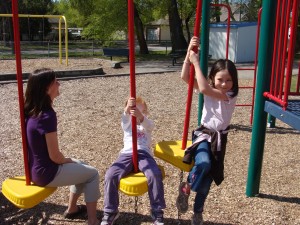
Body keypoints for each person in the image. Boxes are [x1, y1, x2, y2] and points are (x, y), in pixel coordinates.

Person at [24, 68, 100, 225]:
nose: (59, 84)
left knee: (83, 165)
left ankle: (72, 209)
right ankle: (93, 220)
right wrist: (68, 159)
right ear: (47, 88)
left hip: (36, 170)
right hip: (47, 173)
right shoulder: (46, 115)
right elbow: (55, 156)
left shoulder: (31, 111)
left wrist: (73, 161)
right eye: (55, 81)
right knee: (92, 174)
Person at [176, 37, 239, 225]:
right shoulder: (210, 88)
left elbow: (203, 87)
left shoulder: (229, 95)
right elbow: (185, 78)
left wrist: (197, 62)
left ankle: (198, 212)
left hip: (219, 139)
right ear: (213, 78)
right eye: (220, 79)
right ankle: (186, 188)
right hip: (204, 134)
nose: (224, 83)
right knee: (203, 163)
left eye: (229, 80)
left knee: (206, 183)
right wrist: (189, 55)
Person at [101, 96, 166, 225]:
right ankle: (110, 211)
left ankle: (157, 211)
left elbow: (150, 125)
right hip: (127, 154)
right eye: (133, 111)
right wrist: (127, 110)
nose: (135, 115)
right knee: (110, 175)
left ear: (145, 113)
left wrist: (141, 117)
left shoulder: (146, 125)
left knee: (154, 174)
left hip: (143, 154)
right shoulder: (127, 126)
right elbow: (124, 120)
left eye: (140, 111)